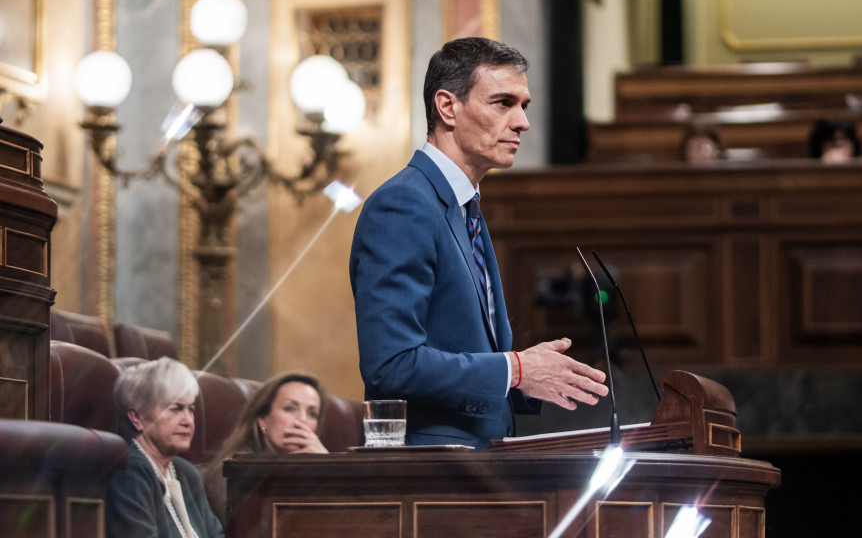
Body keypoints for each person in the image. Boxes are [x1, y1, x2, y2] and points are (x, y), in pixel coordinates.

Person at [349, 37, 609, 451]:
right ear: (447, 107)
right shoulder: (405, 204)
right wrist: (514, 368)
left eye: (524, 106)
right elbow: (391, 364)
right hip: (428, 474)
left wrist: (526, 377)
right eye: (503, 103)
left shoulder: (463, 205)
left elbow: (458, 354)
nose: (522, 122)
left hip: (477, 464)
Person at [106, 357, 224, 538]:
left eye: (191, 409)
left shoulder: (187, 474)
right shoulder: (129, 472)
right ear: (137, 417)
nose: (188, 421)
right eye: (176, 409)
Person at [202, 372, 328, 524]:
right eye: (290, 408)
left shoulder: (307, 471)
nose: (302, 420)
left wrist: (326, 466)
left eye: (312, 414)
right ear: (262, 419)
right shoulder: (234, 469)